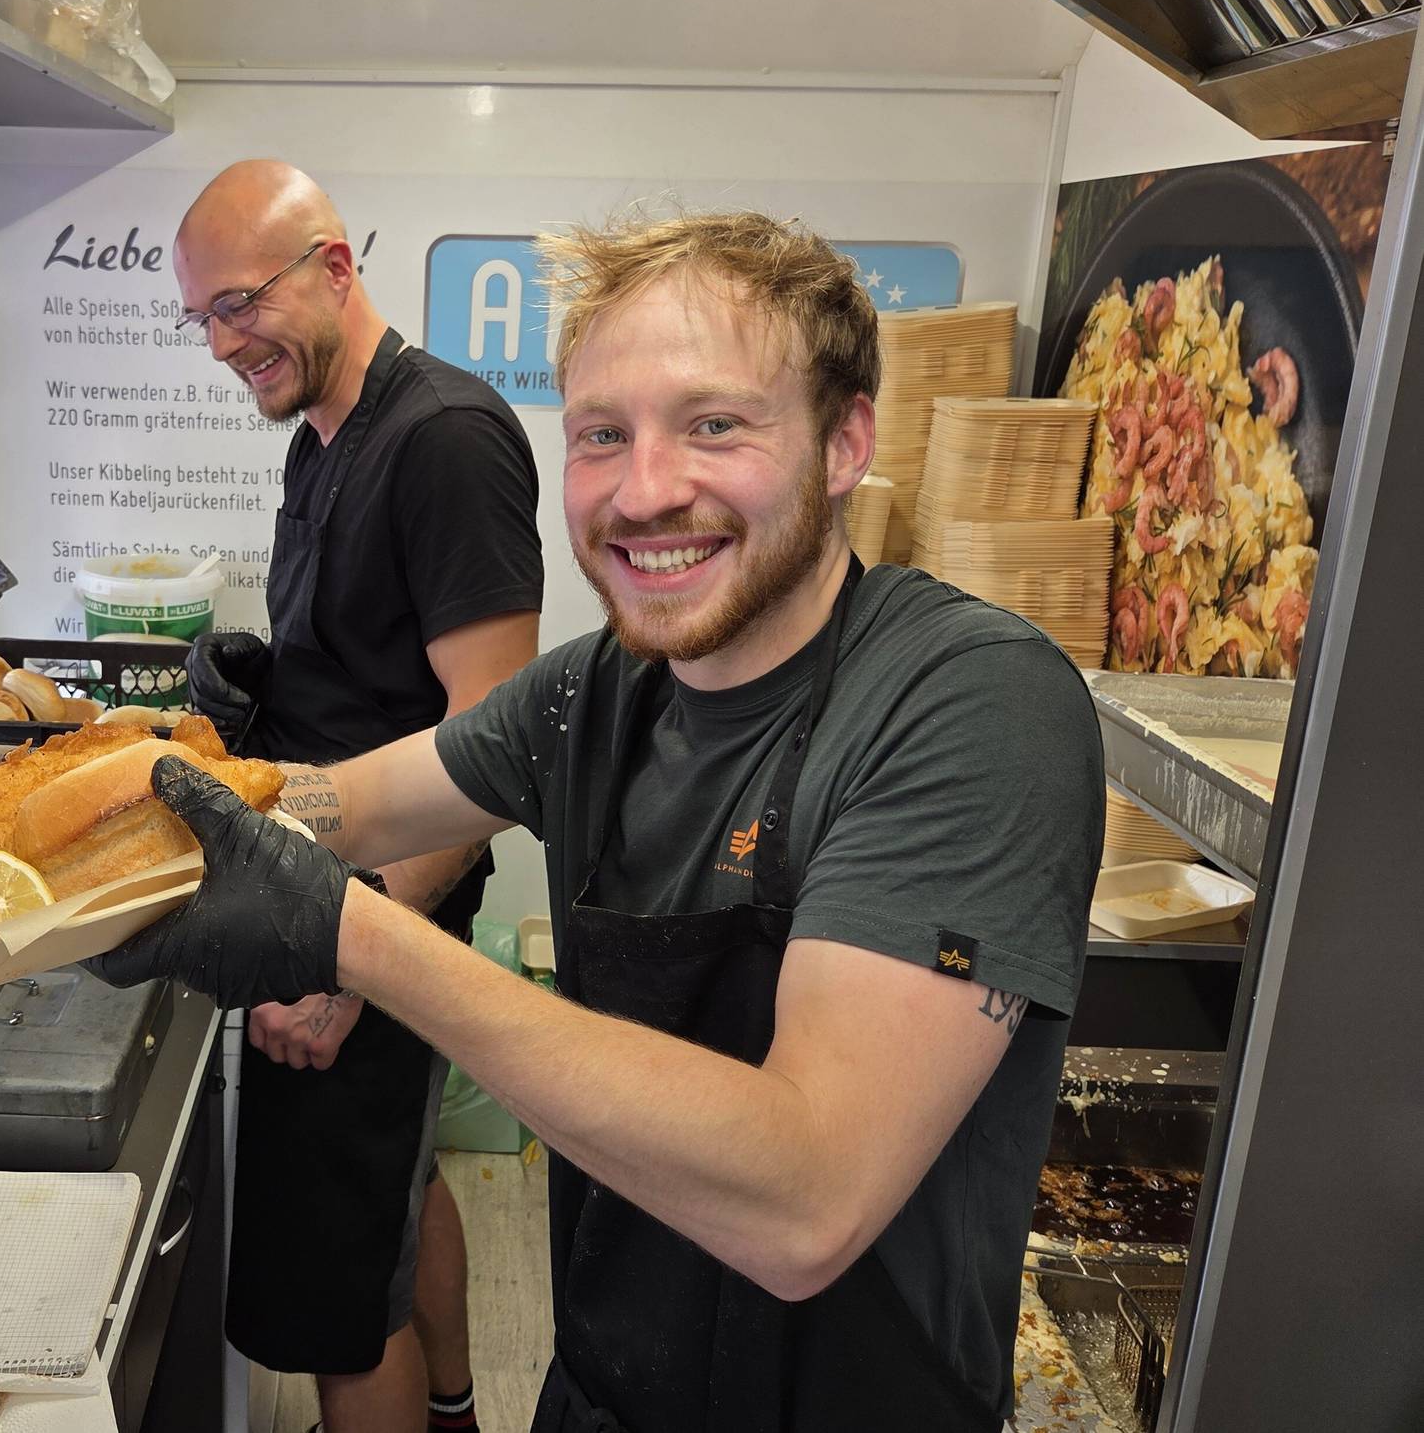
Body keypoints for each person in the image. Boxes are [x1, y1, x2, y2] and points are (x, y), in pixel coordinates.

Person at [88, 210, 1105, 1432]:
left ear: (845, 444)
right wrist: (159, 804)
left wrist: (345, 935)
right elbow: (349, 801)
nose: (646, 491)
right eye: (602, 436)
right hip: (607, 1390)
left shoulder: (969, 702)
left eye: (715, 425)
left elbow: (808, 1197)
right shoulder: (598, 690)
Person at [174, 162, 543, 1433]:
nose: (225, 345)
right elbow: (373, 673)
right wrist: (252, 692)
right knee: (388, 1184)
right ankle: (452, 1411)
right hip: (323, 890)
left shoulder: (442, 438)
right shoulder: (324, 434)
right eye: (203, 320)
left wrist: (348, 962)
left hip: (373, 911)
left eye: (240, 304)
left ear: (334, 267)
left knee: (336, 1302)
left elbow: (492, 746)